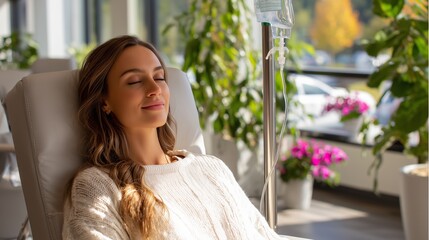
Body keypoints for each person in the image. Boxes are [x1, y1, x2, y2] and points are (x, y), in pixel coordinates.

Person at [62, 35, 288, 240]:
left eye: (159, 78)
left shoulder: (211, 169)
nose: (154, 89)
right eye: (134, 81)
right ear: (104, 102)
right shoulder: (98, 186)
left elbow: (265, 235)